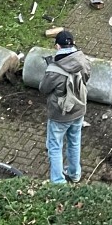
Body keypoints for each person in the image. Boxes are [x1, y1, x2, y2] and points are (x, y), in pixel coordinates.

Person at [39, 29, 92, 184]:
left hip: (60, 114)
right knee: (74, 141)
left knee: (55, 146)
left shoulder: (54, 69)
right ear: (73, 43)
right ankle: (75, 174)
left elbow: (44, 89)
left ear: (57, 46)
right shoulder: (83, 60)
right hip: (79, 109)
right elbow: (86, 78)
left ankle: (58, 182)